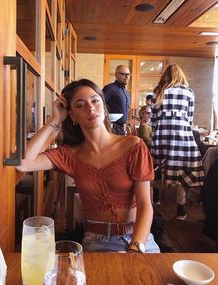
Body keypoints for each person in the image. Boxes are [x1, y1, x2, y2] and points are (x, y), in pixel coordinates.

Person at [16, 79, 160, 253]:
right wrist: (54, 120)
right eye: (80, 105)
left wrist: (135, 248)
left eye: (95, 100)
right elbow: (23, 163)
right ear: (72, 116)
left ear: (104, 106)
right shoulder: (69, 155)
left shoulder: (133, 146)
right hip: (97, 242)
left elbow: (145, 204)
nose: (90, 108)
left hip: (139, 239)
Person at [151, 64, 204, 220]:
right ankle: (180, 208)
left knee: (159, 165)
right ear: (181, 75)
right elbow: (189, 118)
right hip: (182, 133)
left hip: (162, 132)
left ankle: (156, 199)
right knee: (185, 166)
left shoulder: (158, 91)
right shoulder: (188, 92)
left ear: (165, 76)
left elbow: (154, 119)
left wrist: (157, 132)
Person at [103, 65, 131, 135]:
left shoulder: (126, 92)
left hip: (122, 128)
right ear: (116, 75)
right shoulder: (110, 88)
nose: (126, 76)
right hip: (112, 127)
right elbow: (99, 104)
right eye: (123, 74)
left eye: (128, 74)